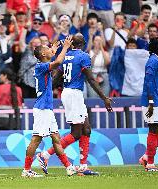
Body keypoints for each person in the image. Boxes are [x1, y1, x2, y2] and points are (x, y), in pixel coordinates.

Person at [37, 33, 113, 176]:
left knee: (86, 129)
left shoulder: (65, 56)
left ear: (71, 44)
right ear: (83, 44)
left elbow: (57, 77)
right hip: (74, 94)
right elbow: (91, 79)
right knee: (76, 133)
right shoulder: (83, 56)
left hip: (69, 93)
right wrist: (104, 97)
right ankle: (45, 155)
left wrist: (46, 91)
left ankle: (83, 167)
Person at [22, 36, 76, 177]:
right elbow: (58, 61)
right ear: (44, 54)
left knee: (56, 138)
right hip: (42, 108)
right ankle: (26, 170)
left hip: (47, 108)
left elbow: (50, 56)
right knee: (36, 139)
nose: (51, 50)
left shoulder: (42, 64)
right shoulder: (41, 66)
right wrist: (65, 47)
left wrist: (54, 49)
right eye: (48, 49)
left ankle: (69, 167)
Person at [139, 37, 158, 172]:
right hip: (150, 100)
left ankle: (146, 156)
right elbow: (149, 82)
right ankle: (150, 163)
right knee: (153, 129)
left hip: (156, 99)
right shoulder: (153, 61)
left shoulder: (157, 59)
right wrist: (151, 102)